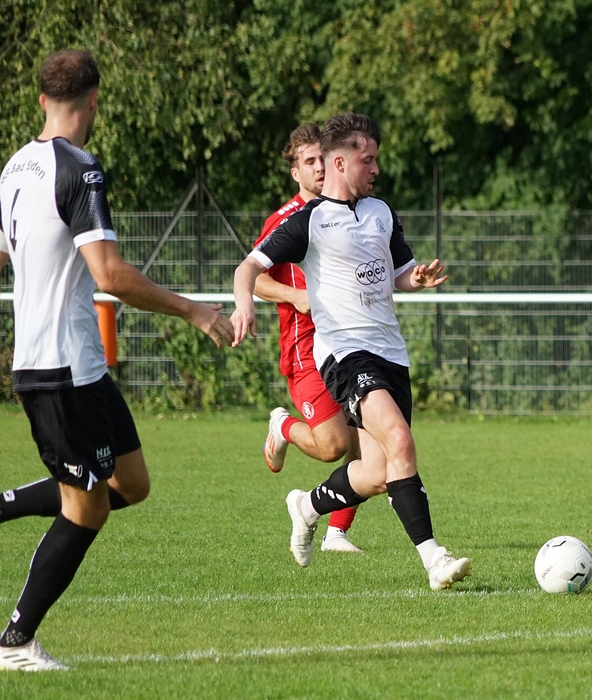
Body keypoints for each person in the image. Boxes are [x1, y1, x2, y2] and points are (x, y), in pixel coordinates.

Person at [0, 49, 233, 671]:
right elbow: (110, 274)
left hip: (79, 367)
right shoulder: (79, 169)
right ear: (95, 100)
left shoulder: (14, 166)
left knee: (130, 483)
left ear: (42, 99)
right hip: (60, 369)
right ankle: (15, 642)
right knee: (87, 506)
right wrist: (194, 310)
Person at [230, 112, 472, 590]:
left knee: (378, 472)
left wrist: (415, 278)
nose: (376, 168)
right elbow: (248, 268)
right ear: (339, 162)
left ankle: (306, 505)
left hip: (391, 354)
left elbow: (399, 272)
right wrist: (244, 306)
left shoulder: (381, 212)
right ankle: (434, 559)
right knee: (400, 441)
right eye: (368, 160)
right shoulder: (309, 221)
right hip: (344, 354)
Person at [251, 123, 362, 553]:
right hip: (306, 350)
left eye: (322, 159)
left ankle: (337, 533)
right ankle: (283, 426)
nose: (319, 167)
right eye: (309, 161)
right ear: (295, 172)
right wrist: (295, 295)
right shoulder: (285, 221)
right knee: (334, 445)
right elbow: (254, 278)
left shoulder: (348, 212)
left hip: (350, 343)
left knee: (369, 440)